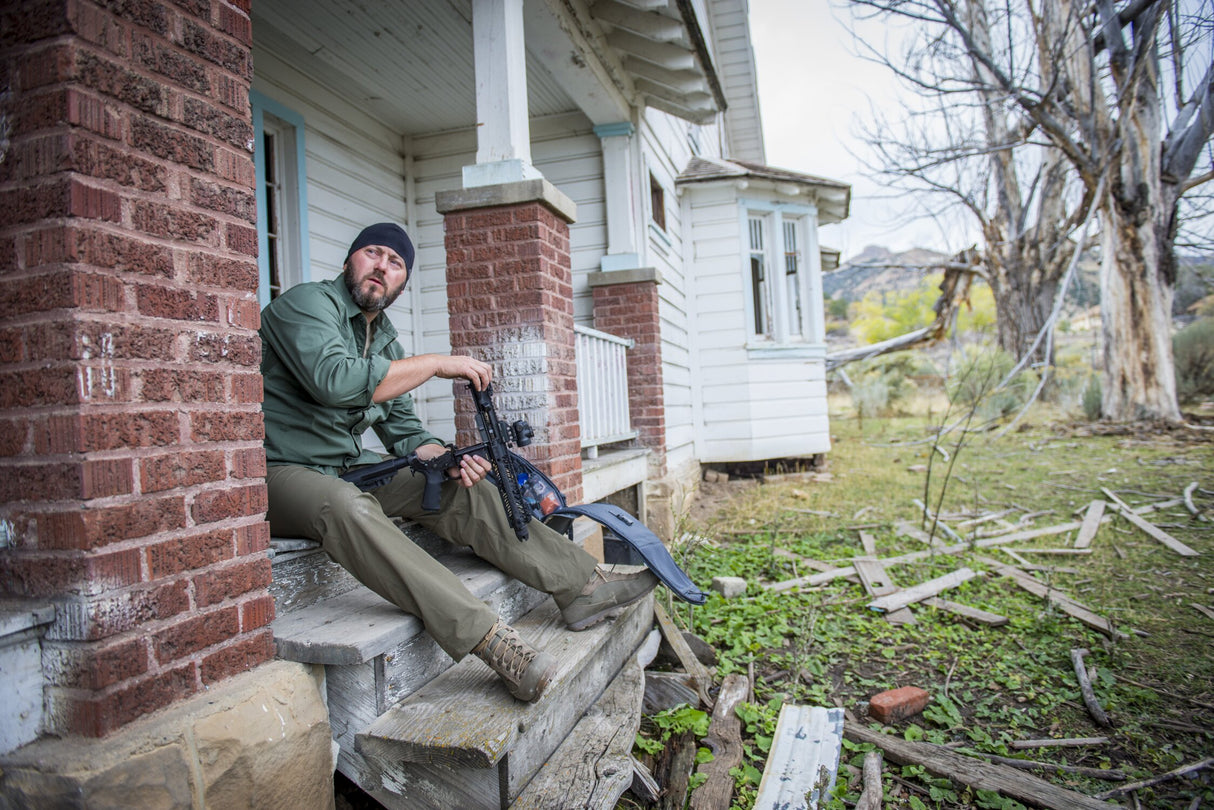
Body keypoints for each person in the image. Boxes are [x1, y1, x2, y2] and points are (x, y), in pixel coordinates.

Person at [259, 222, 657, 702]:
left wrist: (443, 458)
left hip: (347, 464)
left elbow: (405, 431)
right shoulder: (307, 304)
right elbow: (335, 382)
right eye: (373, 253)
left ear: (402, 282)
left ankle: (581, 586)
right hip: (280, 472)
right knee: (344, 506)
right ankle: (492, 641)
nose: (382, 267)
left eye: (396, 263)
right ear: (350, 260)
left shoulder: (384, 340)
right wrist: (435, 364)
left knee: (456, 485)